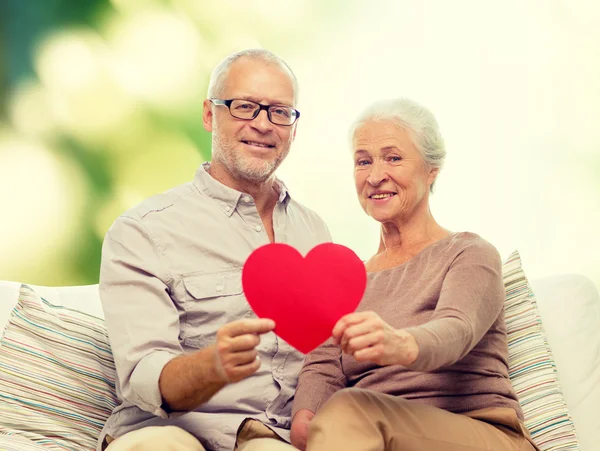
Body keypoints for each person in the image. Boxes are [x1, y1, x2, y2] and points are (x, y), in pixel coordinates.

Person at [97, 49, 331, 451]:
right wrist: (212, 367)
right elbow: (143, 375)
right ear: (209, 114)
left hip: (268, 436)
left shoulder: (316, 234)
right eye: (244, 107)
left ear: (294, 127)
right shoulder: (143, 231)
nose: (262, 124)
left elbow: (327, 362)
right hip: (166, 431)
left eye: (279, 112)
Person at [282, 98, 538, 451]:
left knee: (349, 409)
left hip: (480, 432)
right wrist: (305, 418)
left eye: (393, 157)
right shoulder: (344, 281)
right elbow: (323, 367)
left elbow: (457, 328)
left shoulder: (469, 253)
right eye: (363, 161)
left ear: (431, 169)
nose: (375, 176)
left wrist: (400, 343)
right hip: (372, 434)